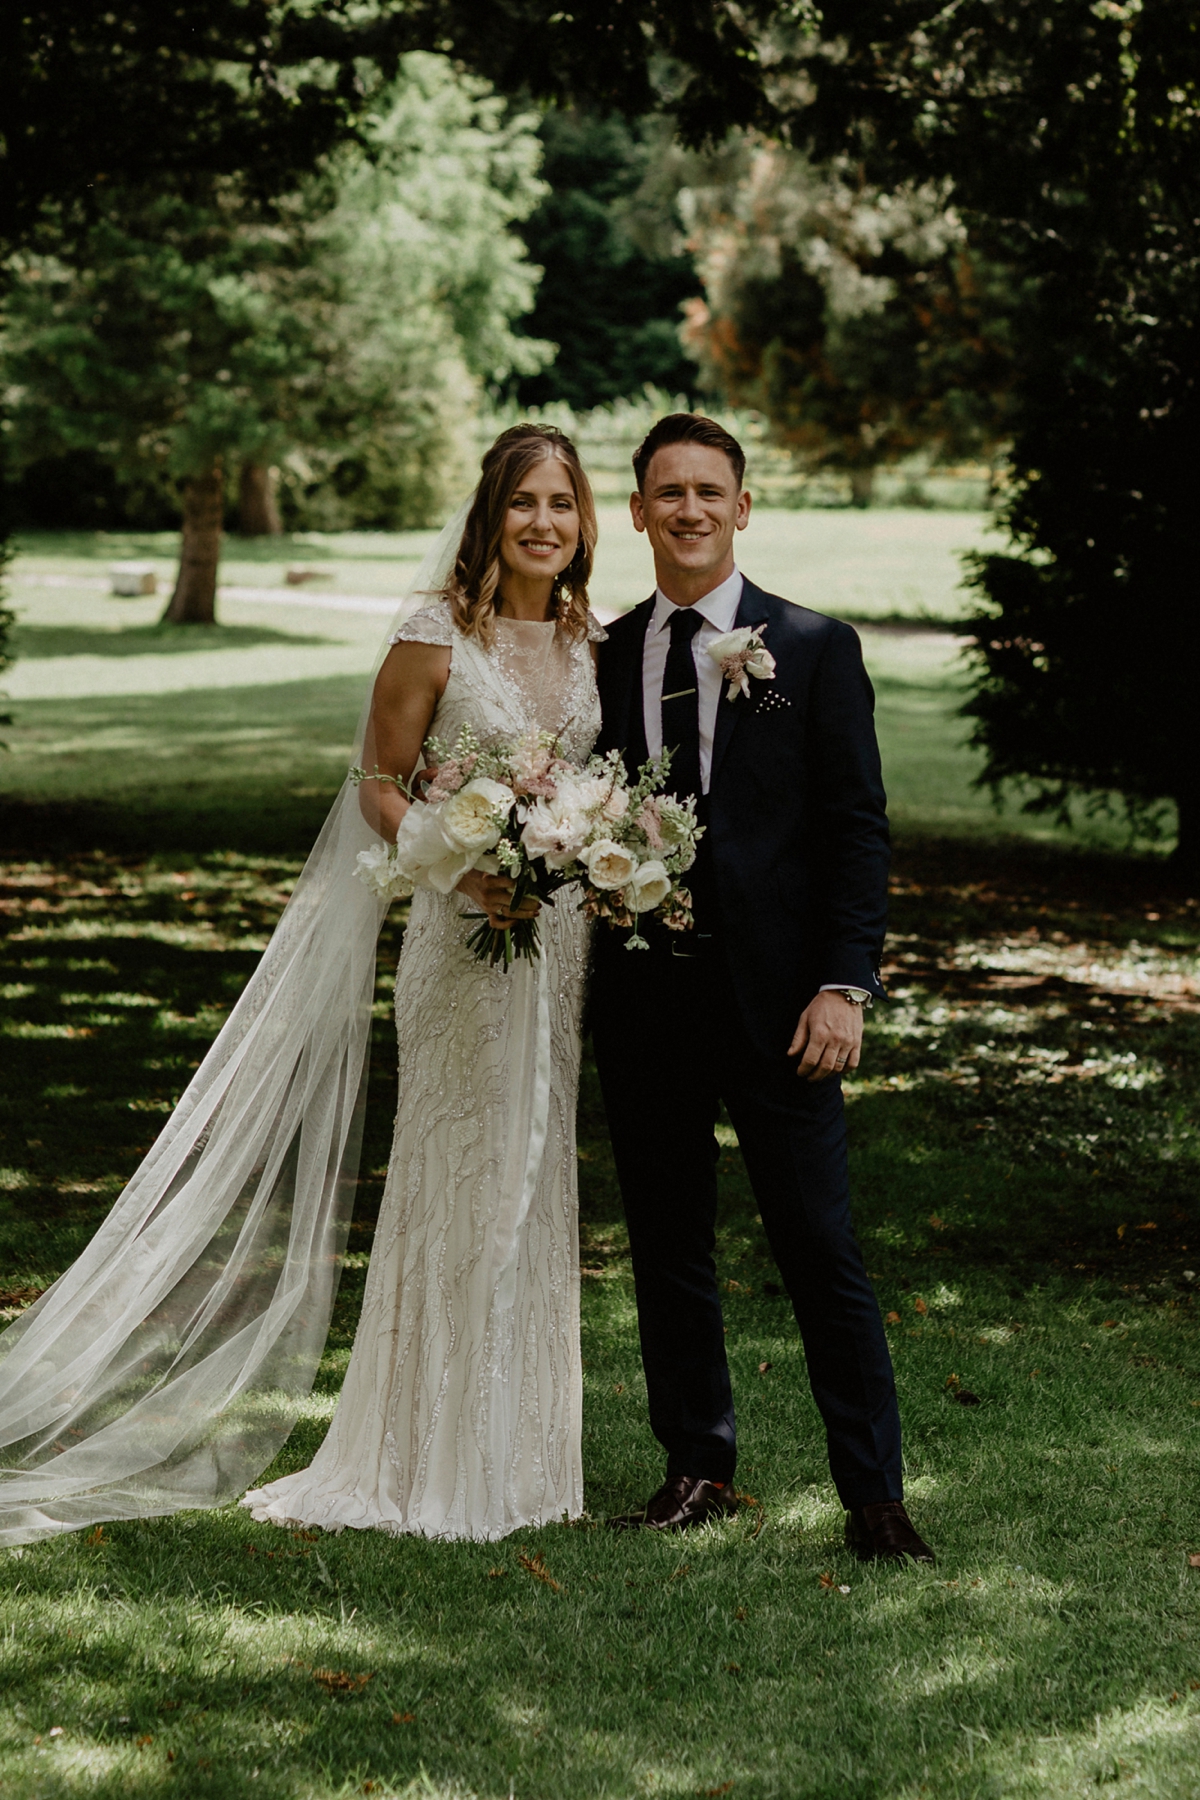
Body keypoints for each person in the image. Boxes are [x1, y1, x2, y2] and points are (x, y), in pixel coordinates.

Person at [0, 425, 604, 1547]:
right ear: (490, 513)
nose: (543, 524)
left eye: (562, 504)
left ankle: (523, 1461)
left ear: (583, 521)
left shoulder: (589, 637)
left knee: (537, 1167)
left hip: (558, 944)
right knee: (457, 1168)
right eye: (524, 502)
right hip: (460, 937)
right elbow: (377, 782)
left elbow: (590, 789)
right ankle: (420, 1454)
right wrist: (463, 868)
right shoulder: (437, 633)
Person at [590, 413, 933, 1562]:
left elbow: (854, 829)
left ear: (744, 508)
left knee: (818, 1248)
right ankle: (696, 1464)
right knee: (669, 1245)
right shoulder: (605, 650)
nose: (688, 509)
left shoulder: (814, 646)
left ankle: (875, 1498)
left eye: (709, 491)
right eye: (666, 492)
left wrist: (845, 984)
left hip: (786, 1005)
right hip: (644, 1001)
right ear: (636, 513)